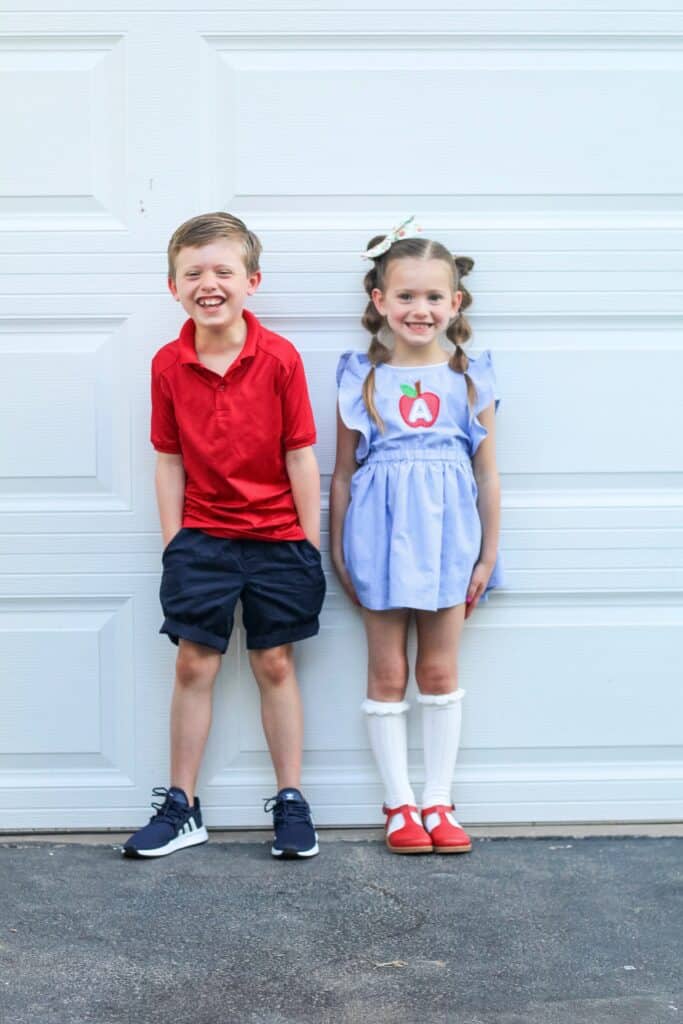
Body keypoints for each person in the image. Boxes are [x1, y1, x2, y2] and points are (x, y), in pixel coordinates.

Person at [123, 212, 326, 860]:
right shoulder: (167, 365)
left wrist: (309, 545)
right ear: (172, 286)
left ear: (251, 281)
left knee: (274, 662)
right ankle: (181, 805)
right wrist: (173, 543)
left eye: (222, 271)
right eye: (193, 272)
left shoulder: (279, 359)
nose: (208, 283)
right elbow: (169, 459)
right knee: (193, 664)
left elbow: (300, 455)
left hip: (278, 538)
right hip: (202, 541)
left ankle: (290, 799)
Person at [330, 220, 502, 854]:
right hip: (377, 539)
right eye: (405, 296)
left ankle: (438, 800)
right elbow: (344, 474)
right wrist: (340, 549)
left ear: (455, 303)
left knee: (437, 668)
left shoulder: (470, 376)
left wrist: (487, 553)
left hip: (449, 541)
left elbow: (486, 471)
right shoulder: (360, 377)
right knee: (387, 669)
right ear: (379, 301)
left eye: (434, 297)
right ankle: (399, 804)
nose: (419, 309)